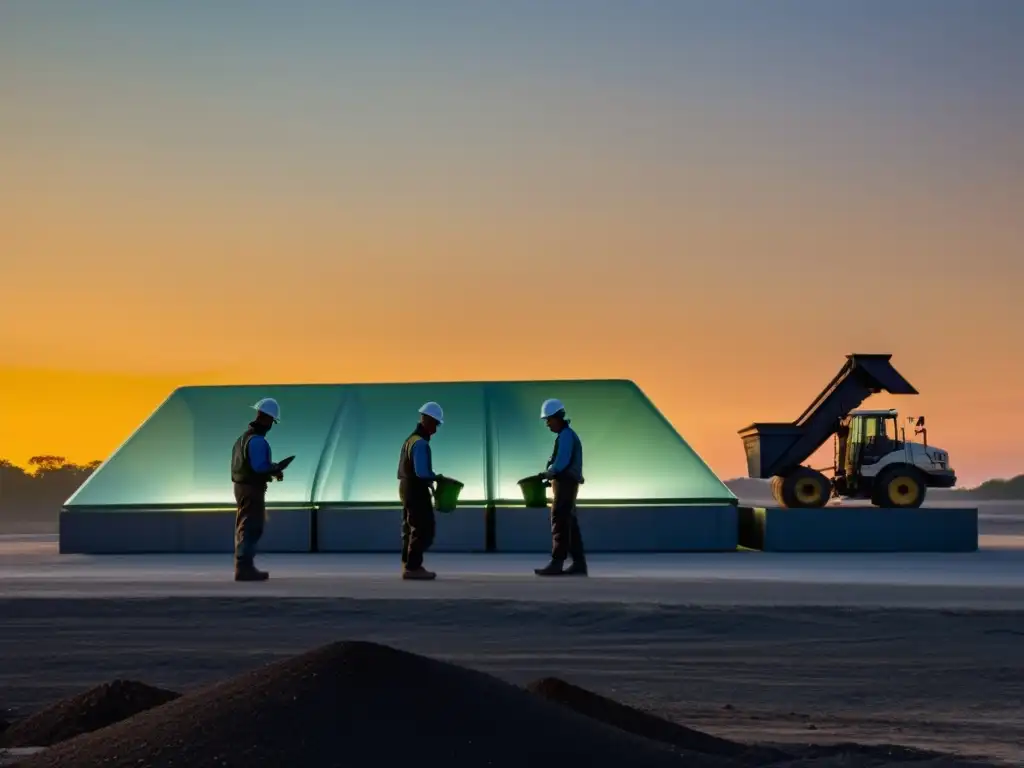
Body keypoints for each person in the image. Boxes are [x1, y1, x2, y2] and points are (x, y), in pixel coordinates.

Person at [230, 397, 286, 581]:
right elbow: (259, 467)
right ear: (266, 418)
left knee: (245, 524)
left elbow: (248, 465)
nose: (271, 425)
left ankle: (244, 566)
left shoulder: (242, 439)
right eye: (272, 421)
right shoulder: (257, 441)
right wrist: (275, 468)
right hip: (252, 489)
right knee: (252, 526)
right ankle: (244, 568)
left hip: (241, 487)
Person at [534, 398, 588, 577]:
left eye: (549, 420)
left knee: (559, 521)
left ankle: (557, 563)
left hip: (565, 484)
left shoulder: (566, 436)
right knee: (570, 523)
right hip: (566, 484)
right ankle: (579, 564)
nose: (547, 424)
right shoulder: (566, 435)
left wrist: (548, 473)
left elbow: (562, 462)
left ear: (557, 418)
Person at [396, 401, 446, 580]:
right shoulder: (421, 444)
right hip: (416, 489)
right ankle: (413, 567)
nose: (436, 429)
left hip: (406, 487)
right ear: (427, 420)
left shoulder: (410, 440)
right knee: (423, 528)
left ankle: (407, 563)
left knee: (409, 527)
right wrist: (436, 478)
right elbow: (422, 472)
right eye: (435, 424)